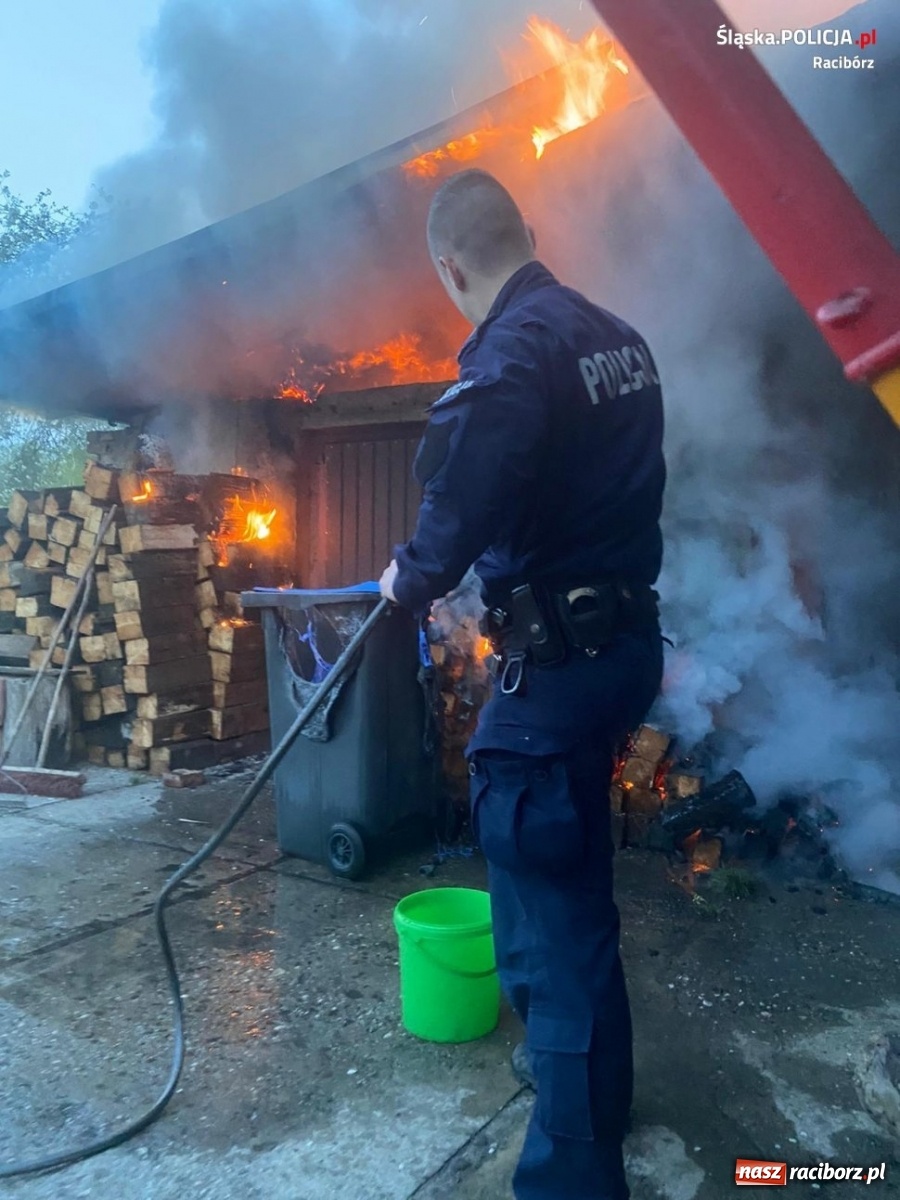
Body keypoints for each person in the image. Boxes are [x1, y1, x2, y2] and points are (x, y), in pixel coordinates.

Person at [379, 168, 665, 1200]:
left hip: (559, 665)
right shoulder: (619, 339)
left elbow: (447, 538)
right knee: (569, 887)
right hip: (624, 647)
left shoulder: (508, 359)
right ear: (529, 233)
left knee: (553, 912)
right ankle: (593, 1086)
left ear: (450, 266)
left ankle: (571, 1174)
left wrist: (405, 577)